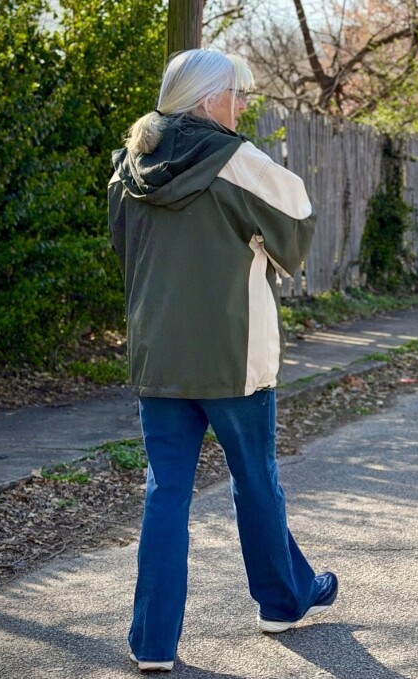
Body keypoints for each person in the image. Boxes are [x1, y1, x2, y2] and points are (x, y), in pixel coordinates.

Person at [108, 49, 337, 672]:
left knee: (165, 495)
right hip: (234, 357)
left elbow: (126, 251)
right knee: (255, 480)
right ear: (208, 98)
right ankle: (282, 602)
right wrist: (259, 245)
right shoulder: (235, 159)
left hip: (159, 356)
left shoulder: (130, 164)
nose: (242, 106)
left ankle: (153, 644)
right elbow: (297, 218)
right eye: (237, 94)